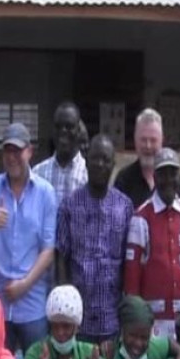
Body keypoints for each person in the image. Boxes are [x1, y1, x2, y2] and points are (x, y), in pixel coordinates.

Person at [0, 122, 58, 353]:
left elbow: (48, 250)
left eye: (17, 151)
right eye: (7, 151)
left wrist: (25, 284)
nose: (12, 157)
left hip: (32, 302)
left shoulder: (45, 192)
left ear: (29, 152)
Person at [124, 148, 180, 338]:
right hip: (153, 325)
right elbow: (132, 281)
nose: (168, 179)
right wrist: (135, 323)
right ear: (154, 177)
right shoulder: (141, 218)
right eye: (163, 174)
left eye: (173, 173)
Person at [55, 133, 133, 344]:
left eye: (106, 159)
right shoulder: (69, 206)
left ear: (113, 165)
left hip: (113, 318)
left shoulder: (124, 207)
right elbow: (61, 257)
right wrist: (65, 308)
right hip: (79, 318)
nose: (100, 164)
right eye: (95, 158)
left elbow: (130, 260)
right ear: (86, 161)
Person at [33, 101, 88, 204]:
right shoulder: (37, 173)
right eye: (58, 126)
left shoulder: (88, 173)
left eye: (69, 126)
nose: (63, 131)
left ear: (79, 130)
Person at [114, 108, 164, 207]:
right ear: (135, 140)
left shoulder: (173, 179)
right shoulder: (124, 179)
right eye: (143, 140)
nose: (148, 146)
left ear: (162, 141)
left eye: (153, 140)